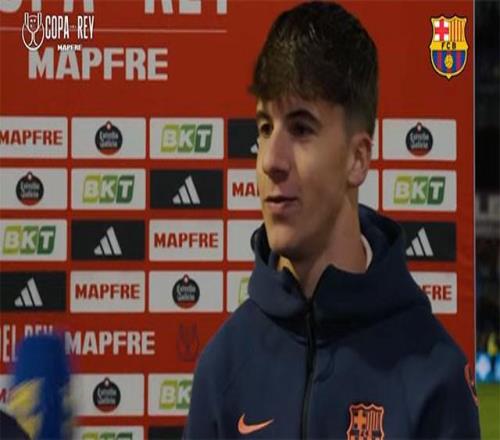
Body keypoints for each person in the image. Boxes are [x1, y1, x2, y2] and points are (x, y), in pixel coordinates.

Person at [184, 1, 481, 438]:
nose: (270, 160)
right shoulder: (222, 368)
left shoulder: (435, 377)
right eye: (265, 128)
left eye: (301, 129)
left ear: (357, 159)